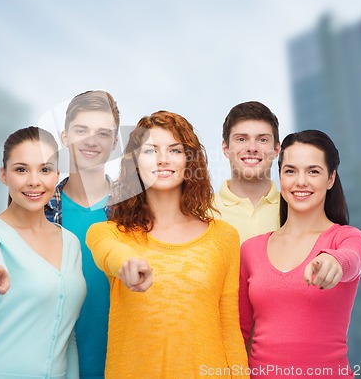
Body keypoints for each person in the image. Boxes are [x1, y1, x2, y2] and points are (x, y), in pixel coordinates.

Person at [87, 111, 249, 379]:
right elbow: (111, 254)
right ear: (135, 163)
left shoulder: (224, 237)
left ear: (189, 161)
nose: (163, 159)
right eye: (150, 151)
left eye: (174, 150)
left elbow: (229, 328)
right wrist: (127, 262)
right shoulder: (109, 234)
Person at [239, 130, 361, 378]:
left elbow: (352, 258)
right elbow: (240, 332)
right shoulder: (250, 250)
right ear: (279, 176)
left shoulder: (345, 238)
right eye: (290, 171)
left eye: (313, 171)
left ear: (330, 178)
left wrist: (334, 261)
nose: (301, 181)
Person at [0, 126, 86, 379]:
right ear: (3, 175)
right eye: (21, 169)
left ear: (56, 176)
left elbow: (67, 334)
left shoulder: (71, 243)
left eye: (44, 169)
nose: (34, 180)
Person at [45, 90, 119, 379]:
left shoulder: (136, 213)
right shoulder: (40, 208)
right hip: (52, 367)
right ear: (65, 136)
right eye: (81, 130)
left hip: (121, 364)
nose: (91, 140)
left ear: (115, 143)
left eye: (103, 133)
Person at [213, 101, 281, 243]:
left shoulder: (295, 209)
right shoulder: (201, 212)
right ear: (226, 148)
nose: (252, 147)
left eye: (262, 139)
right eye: (241, 139)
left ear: (276, 150)